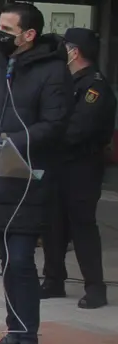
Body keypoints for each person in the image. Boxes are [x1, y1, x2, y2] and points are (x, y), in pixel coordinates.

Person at [0, 2, 70, 344]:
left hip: (30, 179)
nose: (1, 35)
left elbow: (55, 124)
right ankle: (13, 331)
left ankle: (28, 337)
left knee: (22, 258)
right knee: (7, 260)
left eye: (8, 30)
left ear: (29, 35)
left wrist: (9, 139)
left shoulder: (53, 72)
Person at [41, 28, 116, 310]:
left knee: (82, 226)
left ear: (75, 51)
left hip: (82, 167)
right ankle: (53, 279)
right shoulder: (68, 82)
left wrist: (46, 136)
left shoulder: (94, 87)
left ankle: (95, 288)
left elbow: (77, 130)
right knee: (53, 224)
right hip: (58, 165)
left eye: (65, 47)